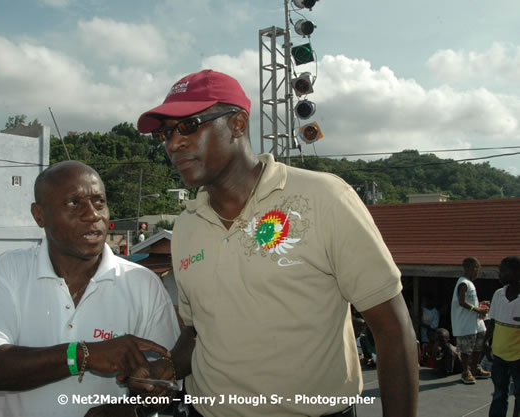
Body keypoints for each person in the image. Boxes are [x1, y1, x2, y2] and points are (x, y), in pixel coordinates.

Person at [134, 69, 419, 417]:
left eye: (189, 125)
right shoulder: (186, 227)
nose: (173, 143)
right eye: (166, 133)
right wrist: (163, 371)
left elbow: (392, 328)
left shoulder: (325, 198)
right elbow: (199, 332)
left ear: (238, 124)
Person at [0, 161, 181, 417]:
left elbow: (167, 389)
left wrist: (135, 408)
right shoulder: (10, 271)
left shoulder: (143, 284)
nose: (92, 214)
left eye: (99, 202)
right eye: (74, 203)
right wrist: (81, 355)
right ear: (39, 215)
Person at [486, 256, 520, 417]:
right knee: (499, 393)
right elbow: (492, 322)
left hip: (518, 359)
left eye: (503, 271)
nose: (499, 274)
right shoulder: (498, 294)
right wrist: (486, 343)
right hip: (499, 356)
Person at [450, 256, 491, 384]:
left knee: (480, 342)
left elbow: (470, 301)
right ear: (469, 268)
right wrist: (477, 310)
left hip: (475, 322)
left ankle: (475, 368)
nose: (477, 272)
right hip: (465, 323)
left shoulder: (470, 283)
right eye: (476, 269)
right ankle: (465, 371)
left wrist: (479, 304)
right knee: (466, 349)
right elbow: (462, 302)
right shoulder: (463, 283)